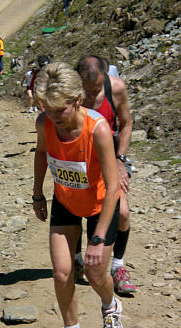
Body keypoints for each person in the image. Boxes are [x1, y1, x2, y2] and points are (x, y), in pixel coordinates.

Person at [33, 62, 123, 328]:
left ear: (76, 100)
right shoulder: (45, 123)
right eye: (48, 109)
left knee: (97, 274)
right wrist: (38, 194)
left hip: (100, 206)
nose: (54, 117)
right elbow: (43, 153)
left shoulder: (97, 129)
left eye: (60, 110)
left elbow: (113, 188)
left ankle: (111, 308)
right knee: (62, 272)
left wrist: (97, 239)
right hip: (65, 202)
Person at [76, 55, 136, 294]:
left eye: (96, 89)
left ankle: (118, 265)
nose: (91, 96)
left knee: (122, 212)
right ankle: (76, 258)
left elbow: (126, 123)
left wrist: (120, 160)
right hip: (79, 158)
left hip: (110, 154)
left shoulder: (116, 88)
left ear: (106, 76)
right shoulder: (70, 91)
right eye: (86, 91)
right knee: (77, 208)